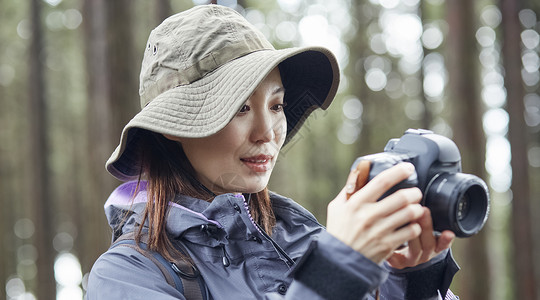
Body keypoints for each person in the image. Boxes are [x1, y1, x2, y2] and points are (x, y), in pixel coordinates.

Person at [86, 4, 460, 300]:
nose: (267, 133)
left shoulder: (303, 238)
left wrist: (417, 280)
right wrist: (334, 273)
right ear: (173, 127)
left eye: (277, 106)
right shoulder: (128, 275)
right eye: (239, 108)